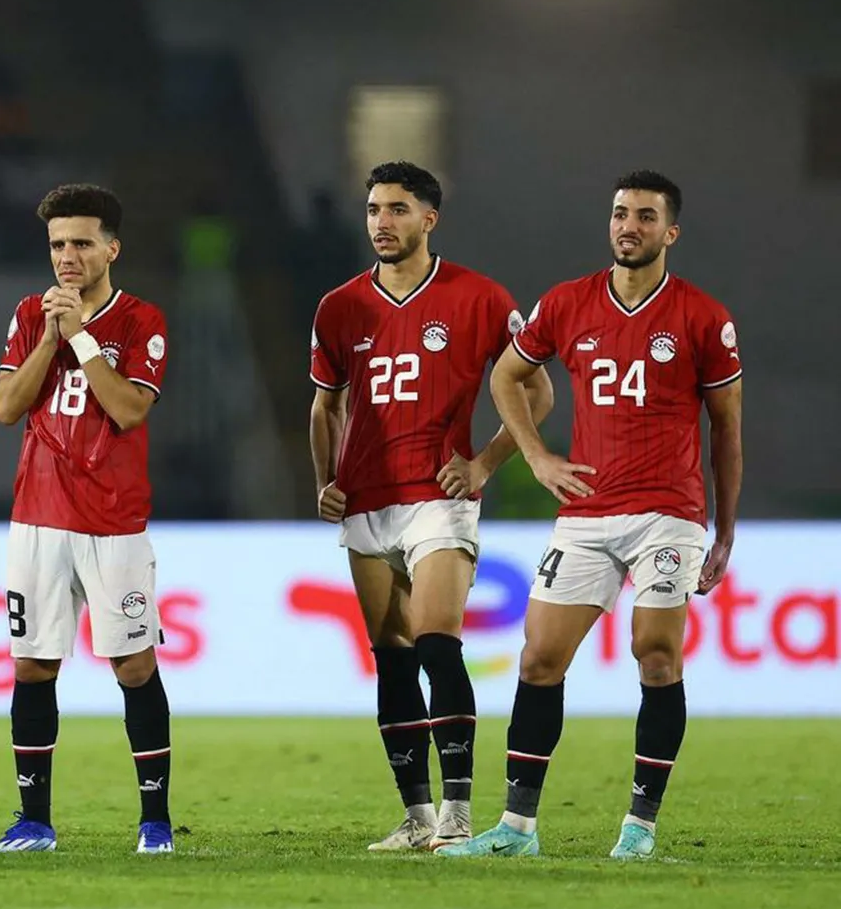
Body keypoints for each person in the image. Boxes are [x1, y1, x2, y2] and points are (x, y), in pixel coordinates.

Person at [443, 170, 742, 860]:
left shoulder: (703, 317)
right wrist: (537, 457)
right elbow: (507, 375)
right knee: (539, 658)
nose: (628, 226)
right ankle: (516, 829)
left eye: (645, 216)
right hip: (586, 512)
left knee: (655, 655)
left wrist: (725, 533)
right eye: (620, 214)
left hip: (668, 513)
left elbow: (727, 430)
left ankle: (639, 827)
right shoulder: (566, 303)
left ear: (671, 232)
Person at [307, 161, 553, 851]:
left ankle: (458, 813)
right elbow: (325, 405)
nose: (381, 222)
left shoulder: (478, 297)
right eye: (373, 209)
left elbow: (537, 394)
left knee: (437, 644)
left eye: (396, 209)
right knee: (391, 659)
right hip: (367, 502)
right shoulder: (339, 306)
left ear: (428, 218)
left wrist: (483, 464)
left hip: (439, 500)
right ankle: (416, 817)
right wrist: (325, 479)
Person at [0, 184, 173, 854]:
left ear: (111, 249)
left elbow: (128, 409)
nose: (67, 256)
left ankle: (155, 823)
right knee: (32, 666)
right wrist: (48, 339)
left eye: (82, 243)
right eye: (58, 244)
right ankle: (34, 822)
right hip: (37, 518)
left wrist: (83, 338)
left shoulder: (141, 320)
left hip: (113, 521)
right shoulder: (30, 314)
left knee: (133, 666)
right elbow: (6, 407)